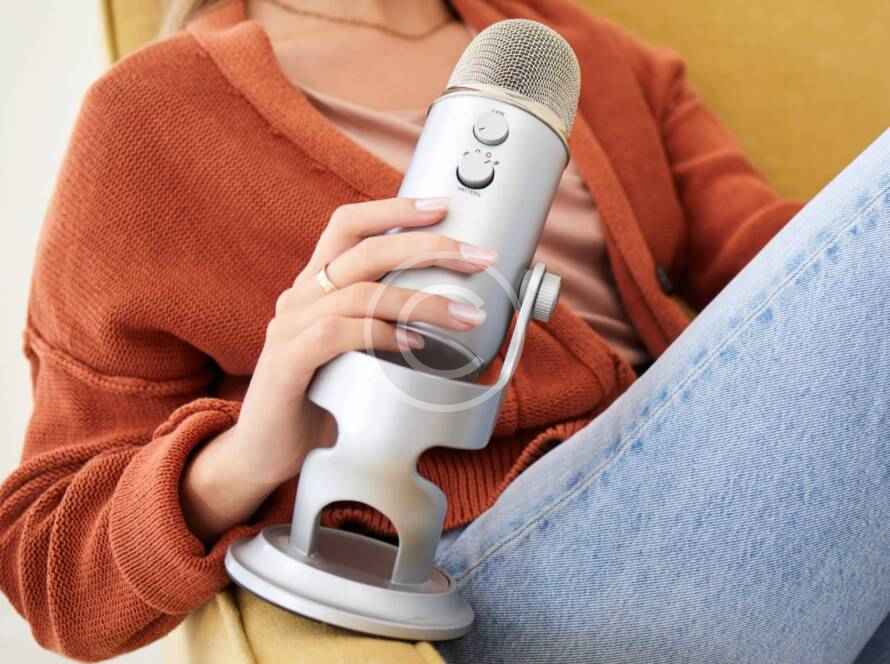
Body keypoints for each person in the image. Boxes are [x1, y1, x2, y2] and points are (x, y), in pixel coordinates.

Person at [1, 0, 888, 662]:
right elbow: (44, 562)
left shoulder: (572, 55)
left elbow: (797, 273)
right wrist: (244, 455)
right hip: (491, 572)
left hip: (721, 492)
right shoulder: (151, 117)